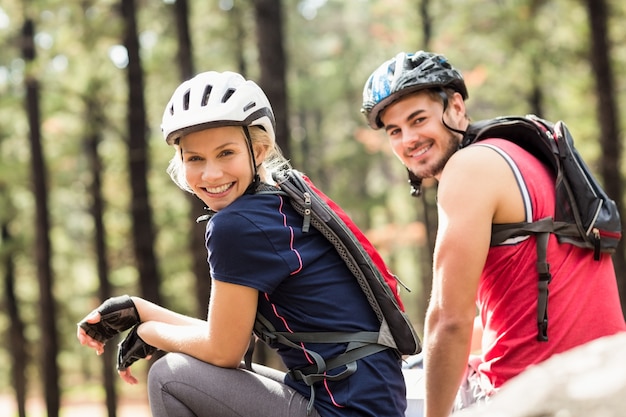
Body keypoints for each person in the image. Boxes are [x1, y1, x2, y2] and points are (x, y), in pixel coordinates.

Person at [77, 70, 407, 417]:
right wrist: (140, 310)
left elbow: (225, 352)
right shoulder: (280, 202)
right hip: (363, 398)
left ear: (259, 149)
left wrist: (150, 332)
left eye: (226, 153)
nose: (211, 174)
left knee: (168, 376)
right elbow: (231, 336)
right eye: (195, 159)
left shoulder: (236, 225)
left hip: (344, 408)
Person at [360, 50, 626, 417]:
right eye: (395, 131)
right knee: (415, 369)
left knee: (367, 402)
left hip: (533, 397)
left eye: (418, 119)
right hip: (606, 375)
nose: (408, 139)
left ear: (455, 107)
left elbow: (448, 321)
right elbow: (514, 315)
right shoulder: (523, 155)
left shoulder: (469, 168)